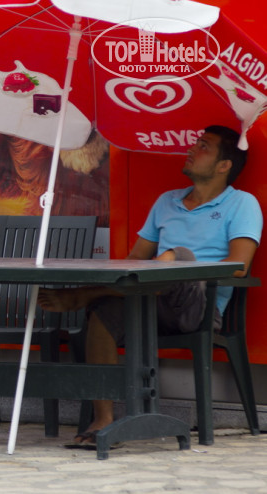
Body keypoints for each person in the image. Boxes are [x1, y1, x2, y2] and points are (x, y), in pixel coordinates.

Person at [37, 125, 263, 447]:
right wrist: (153, 269)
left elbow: (239, 266)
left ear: (224, 165)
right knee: (103, 312)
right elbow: (135, 260)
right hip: (152, 299)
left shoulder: (241, 203)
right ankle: (103, 420)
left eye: (203, 146)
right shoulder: (167, 202)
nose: (191, 149)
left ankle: (87, 293)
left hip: (198, 307)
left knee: (178, 256)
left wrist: (178, 262)